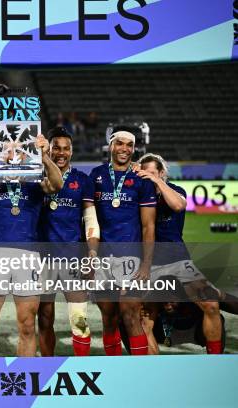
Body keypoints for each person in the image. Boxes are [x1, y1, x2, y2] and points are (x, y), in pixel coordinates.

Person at [0, 133, 63, 357]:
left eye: (19, 150)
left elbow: (57, 184)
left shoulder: (35, 183)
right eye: (8, 150)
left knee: (27, 324)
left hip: (27, 256)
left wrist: (45, 156)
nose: (14, 154)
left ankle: (24, 378)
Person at [137, 153, 223, 354]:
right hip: (150, 265)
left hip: (179, 262)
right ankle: (155, 371)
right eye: (144, 173)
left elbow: (178, 205)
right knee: (143, 321)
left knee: (211, 305)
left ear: (162, 173)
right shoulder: (138, 195)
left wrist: (157, 181)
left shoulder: (176, 190)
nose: (148, 177)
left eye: (153, 173)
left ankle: (216, 361)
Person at [90, 130, 157, 356]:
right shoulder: (96, 176)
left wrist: (147, 265)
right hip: (102, 258)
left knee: (130, 312)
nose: (125, 149)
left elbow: (149, 226)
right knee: (108, 316)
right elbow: (86, 216)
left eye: (129, 145)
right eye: (120, 144)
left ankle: (139, 369)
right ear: (111, 146)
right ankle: (115, 369)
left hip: (131, 258)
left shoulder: (142, 180)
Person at [36, 126, 100, 356]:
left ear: (71, 151)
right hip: (42, 260)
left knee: (79, 318)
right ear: (48, 149)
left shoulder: (82, 180)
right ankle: (47, 366)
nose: (61, 153)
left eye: (66, 149)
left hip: (73, 257)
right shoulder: (35, 176)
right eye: (56, 148)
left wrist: (92, 253)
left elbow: (90, 219)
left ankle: (81, 366)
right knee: (44, 319)